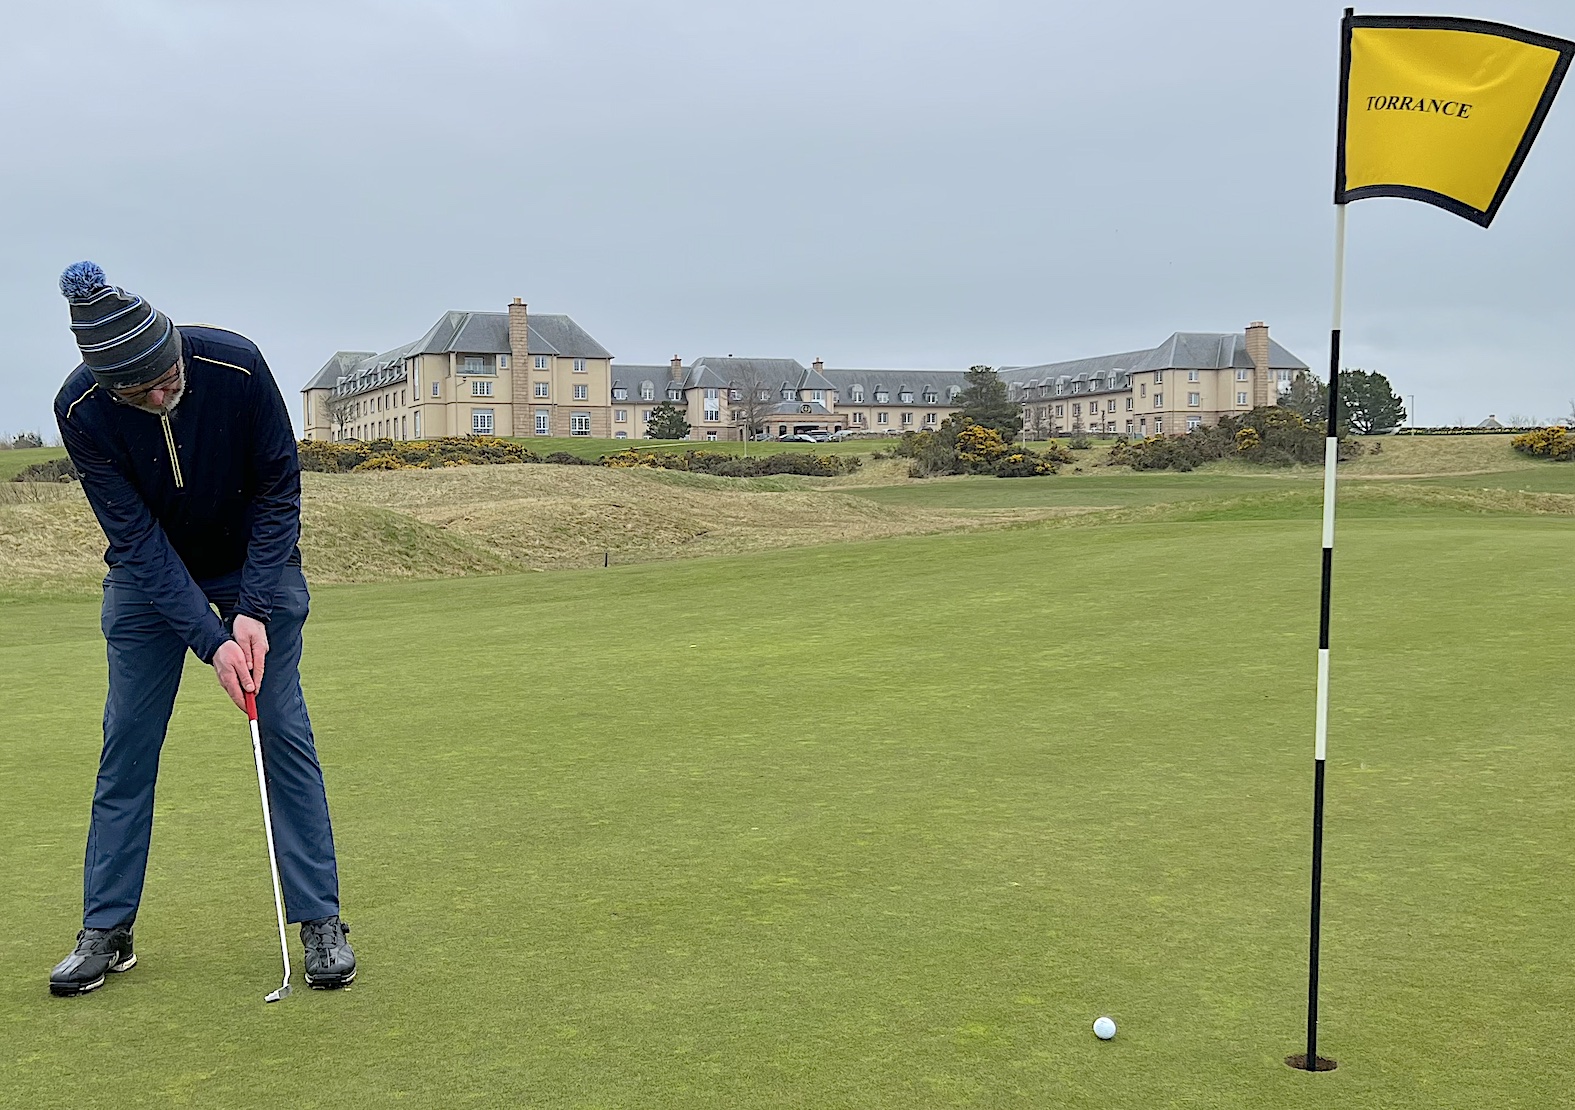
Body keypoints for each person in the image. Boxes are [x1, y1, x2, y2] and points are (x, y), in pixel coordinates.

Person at [48, 262, 355, 997]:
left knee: (281, 729)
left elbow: (280, 489)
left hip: (258, 562)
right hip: (147, 577)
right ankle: (106, 929)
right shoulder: (81, 408)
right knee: (127, 742)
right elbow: (136, 539)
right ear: (108, 386)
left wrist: (250, 611)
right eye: (139, 391)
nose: (160, 394)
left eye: (164, 375)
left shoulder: (236, 365)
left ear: (173, 345)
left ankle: (320, 921)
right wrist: (210, 641)